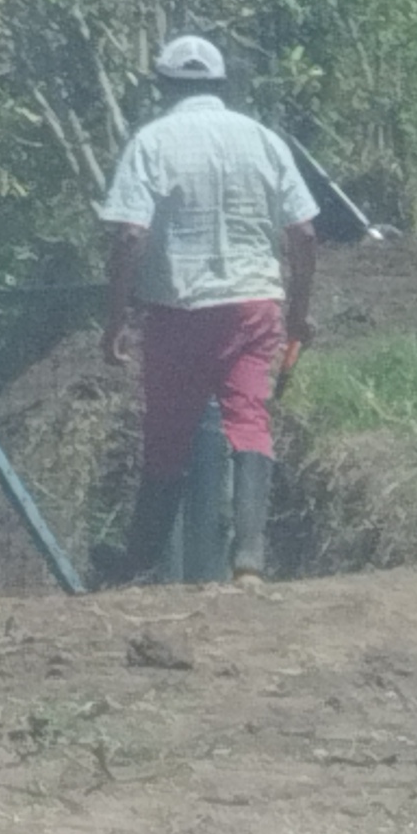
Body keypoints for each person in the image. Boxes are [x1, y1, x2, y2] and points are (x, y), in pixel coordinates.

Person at [95, 35, 318, 586]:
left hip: (179, 308)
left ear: (164, 87)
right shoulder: (263, 140)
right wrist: (297, 313)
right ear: (220, 84)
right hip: (253, 304)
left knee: (167, 434)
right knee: (250, 420)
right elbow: (305, 233)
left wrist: (115, 319)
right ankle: (250, 559)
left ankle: (140, 561)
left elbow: (130, 236)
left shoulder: (151, 142)